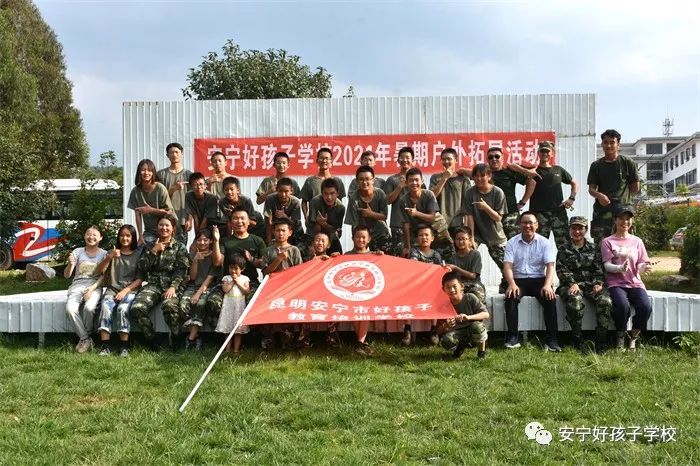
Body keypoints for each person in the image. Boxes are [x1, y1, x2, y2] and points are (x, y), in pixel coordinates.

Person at [503, 212, 561, 352]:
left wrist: (547, 285)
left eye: (531, 223)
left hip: (538, 279)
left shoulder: (545, 243)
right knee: (511, 296)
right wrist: (511, 284)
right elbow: (507, 266)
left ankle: (552, 340)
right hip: (518, 280)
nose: (527, 226)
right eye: (524, 222)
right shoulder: (511, 243)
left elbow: (550, 266)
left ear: (536, 225)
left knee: (550, 298)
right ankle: (512, 338)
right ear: (519, 225)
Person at [129, 215, 190, 346]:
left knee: (170, 306)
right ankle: (152, 339)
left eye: (167, 225)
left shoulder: (179, 247)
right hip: (154, 284)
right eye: (161, 225)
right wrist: (153, 251)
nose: (164, 228)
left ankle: (176, 338)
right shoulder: (149, 246)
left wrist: (173, 287)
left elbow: (182, 270)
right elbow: (142, 268)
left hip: (172, 284)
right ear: (157, 228)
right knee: (137, 308)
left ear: (173, 229)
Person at [600, 205, 653, 351]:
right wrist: (619, 268)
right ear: (615, 220)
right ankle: (620, 336)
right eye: (621, 219)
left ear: (632, 221)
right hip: (616, 283)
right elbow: (606, 265)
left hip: (635, 283)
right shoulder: (607, 242)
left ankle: (633, 337)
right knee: (623, 306)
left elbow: (641, 263)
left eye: (628, 219)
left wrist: (644, 268)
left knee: (645, 307)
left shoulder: (637, 241)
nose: (625, 222)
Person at [556, 216, 612, 352]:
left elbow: (598, 269)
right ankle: (577, 340)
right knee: (575, 301)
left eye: (580, 228)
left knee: (605, 301)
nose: (577, 232)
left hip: (590, 285)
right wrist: (572, 283)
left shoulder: (593, 248)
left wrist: (598, 283)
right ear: (569, 230)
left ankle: (601, 341)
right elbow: (561, 269)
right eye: (574, 228)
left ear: (586, 230)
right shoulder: (563, 249)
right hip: (569, 285)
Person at [210, 207, 266, 331]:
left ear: (249, 222)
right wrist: (216, 241)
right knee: (213, 302)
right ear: (230, 223)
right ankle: (221, 333)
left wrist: (251, 259)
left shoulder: (257, 241)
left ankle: (252, 335)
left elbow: (263, 264)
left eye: (242, 218)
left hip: (249, 283)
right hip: (227, 282)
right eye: (235, 218)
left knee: (255, 302)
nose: (239, 221)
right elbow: (217, 262)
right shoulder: (225, 241)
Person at [95, 224, 143, 357]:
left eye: (128, 236)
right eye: (122, 235)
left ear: (133, 237)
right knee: (105, 307)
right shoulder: (112, 253)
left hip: (130, 291)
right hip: (112, 289)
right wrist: (109, 257)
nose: (124, 238)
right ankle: (105, 346)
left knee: (123, 309)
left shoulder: (138, 255)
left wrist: (125, 291)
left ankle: (124, 346)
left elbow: (140, 279)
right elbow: (99, 271)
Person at [588, 129, 641, 245]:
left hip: (623, 213)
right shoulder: (596, 165)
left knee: (625, 246)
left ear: (618, 144)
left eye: (612, 142)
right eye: (605, 142)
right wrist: (599, 195)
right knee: (601, 246)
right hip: (602, 212)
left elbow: (635, 188)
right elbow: (591, 189)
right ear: (602, 144)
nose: (609, 145)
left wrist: (622, 198)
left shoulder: (627, 162)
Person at [456, 163, 507, 279]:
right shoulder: (470, 192)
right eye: (476, 176)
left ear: (489, 176)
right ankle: (470, 282)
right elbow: (469, 216)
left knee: (504, 264)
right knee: (467, 252)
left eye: (482, 175)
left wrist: (486, 208)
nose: (479, 179)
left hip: (494, 233)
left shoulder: (498, 192)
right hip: (477, 232)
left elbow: (498, 218)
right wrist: (471, 238)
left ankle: (508, 284)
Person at [63, 225, 108, 353]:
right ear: (84, 236)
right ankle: (86, 338)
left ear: (100, 238)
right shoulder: (77, 252)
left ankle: (85, 338)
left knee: (89, 308)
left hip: (94, 286)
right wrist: (70, 264)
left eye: (94, 235)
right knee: (70, 310)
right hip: (77, 285)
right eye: (88, 234)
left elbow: (104, 277)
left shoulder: (104, 254)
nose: (91, 237)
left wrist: (91, 289)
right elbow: (67, 275)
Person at [261, 218, 303, 349]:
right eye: (278, 230)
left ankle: (288, 340)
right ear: (273, 232)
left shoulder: (294, 250)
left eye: (283, 230)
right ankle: (269, 340)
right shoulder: (268, 250)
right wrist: (278, 259)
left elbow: (299, 272)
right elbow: (265, 271)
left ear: (290, 232)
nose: (280, 233)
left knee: (287, 314)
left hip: (289, 288)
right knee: (269, 313)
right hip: (271, 288)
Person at [529, 141, 578, 249]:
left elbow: (574, 183)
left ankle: (563, 261)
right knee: (538, 247)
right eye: (542, 151)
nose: (544, 154)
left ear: (552, 153)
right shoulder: (533, 171)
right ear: (538, 153)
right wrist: (526, 171)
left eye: (547, 151)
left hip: (558, 213)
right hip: (539, 214)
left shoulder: (558, 170)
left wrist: (571, 199)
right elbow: (512, 166)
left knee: (564, 247)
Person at [345, 226, 384, 355]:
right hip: (351, 292)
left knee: (365, 312)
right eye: (358, 237)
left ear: (369, 239)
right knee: (354, 313)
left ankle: (360, 343)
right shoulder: (346, 255)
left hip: (368, 292)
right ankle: (361, 343)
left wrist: (381, 257)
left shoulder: (375, 255)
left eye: (363, 237)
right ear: (353, 238)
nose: (360, 240)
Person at [400, 167, 451, 259]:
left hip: (438, 229)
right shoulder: (403, 200)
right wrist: (407, 246)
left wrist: (416, 213)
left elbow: (432, 218)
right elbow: (406, 224)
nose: (414, 183)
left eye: (417, 180)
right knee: (417, 256)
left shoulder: (429, 194)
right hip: (421, 233)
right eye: (411, 180)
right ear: (406, 183)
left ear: (422, 181)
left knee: (448, 255)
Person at [487, 146, 537, 239]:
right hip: (492, 216)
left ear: (502, 158)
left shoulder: (509, 172)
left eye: (497, 156)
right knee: (496, 246)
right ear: (487, 160)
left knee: (515, 242)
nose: (494, 159)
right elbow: (467, 172)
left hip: (511, 214)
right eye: (490, 157)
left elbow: (531, 182)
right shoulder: (484, 175)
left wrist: (522, 202)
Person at [181, 229, 220, 351]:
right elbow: (192, 277)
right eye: (199, 240)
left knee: (200, 304)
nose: (202, 242)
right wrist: (195, 260)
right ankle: (196, 335)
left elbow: (209, 278)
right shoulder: (192, 255)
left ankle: (191, 339)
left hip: (209, 286)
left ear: (210, 241)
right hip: (193, 286)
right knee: (183, 305)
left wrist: (198, 294)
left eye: (205, 240)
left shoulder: (214, 255)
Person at [438, 272, 489, 360]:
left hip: (472, 330)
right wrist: (446, 325)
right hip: (457, 333)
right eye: (448, 287)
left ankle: (481, 352)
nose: (452, 290)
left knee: (477, 326)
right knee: (446, 341)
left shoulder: (470, 297)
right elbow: (439, 331)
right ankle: (459, 348)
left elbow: (486, 314)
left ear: (461, 286)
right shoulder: (444, 306)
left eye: (454, 286)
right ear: (443, 289)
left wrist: (468, 317)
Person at [407, 224, 443, 346]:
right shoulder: (414, 251)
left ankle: (433, 329)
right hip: (416, 285)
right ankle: (407, 329)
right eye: (421, 235)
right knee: (407, 296)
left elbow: (439, 271)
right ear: (417, 238)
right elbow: (413, 264)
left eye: (427, 235)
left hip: (431, 286)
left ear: (432, 238)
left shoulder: (436, 254)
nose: (424, 238)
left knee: (436, 296)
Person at [344, 166, 391, 254]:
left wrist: (371, 214)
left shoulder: (380, 194)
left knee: (384, 257)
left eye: (367, 179)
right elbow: (354, 224)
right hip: (362, 236)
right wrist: (356, 241)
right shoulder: (354, 198)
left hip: (380, 233)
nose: (364, 182)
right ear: (357, 181)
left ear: (373, 180)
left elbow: (384, 216)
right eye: (361, 179)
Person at [128, 159, 174, 246]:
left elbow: (169, 212)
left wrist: (150, 210)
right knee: (142, 249)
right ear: (139, 172)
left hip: (166, 229)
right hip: (149, 231)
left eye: (149, 170)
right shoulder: (135, 191)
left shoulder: (160, 188)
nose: (146, 173)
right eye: (143, 170)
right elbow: (137, 214)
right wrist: (140, 235)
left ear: (153, 173)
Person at [383, 146, 418, 255]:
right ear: (398, 160)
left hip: (415, 224)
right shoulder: (392, 179)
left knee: (416, 255)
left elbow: (422, 198)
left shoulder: (417, 180)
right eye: (402, 157)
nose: (405, 160)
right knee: (399, 255)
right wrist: (400, 186)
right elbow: (387, 201)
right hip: (397, 224)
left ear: (413, 161)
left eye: (408, 157)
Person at [156, 142, 192, 243]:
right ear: (167, 155)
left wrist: (190, 219)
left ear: (182, 154)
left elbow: (192, 199)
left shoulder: (189, 175)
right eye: (171, 152)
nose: (174, 155)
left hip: (182, 219)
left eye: (177, 152)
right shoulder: (161, 174)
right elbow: (159, 198)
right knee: (164, 247)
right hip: (165, 219)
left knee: (181, 247)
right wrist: (173, 189)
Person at [215, 254, 251, 354]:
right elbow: (225, 290)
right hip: (228, 305)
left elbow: (246, 291)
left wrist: (238, 282)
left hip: (239, 306)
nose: (233, 271)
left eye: (236, 268)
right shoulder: (226, 278)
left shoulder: (245, 279)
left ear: (242, 269)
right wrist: (232, 282)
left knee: (238, 330)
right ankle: (227, 349)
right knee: (228, 329)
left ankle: (236, 349)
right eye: (231, 268)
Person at [300, 147, 346, 222]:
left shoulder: (338, 181)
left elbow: (340, 202)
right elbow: (304, 201)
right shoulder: (310, 181)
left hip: (332, 222)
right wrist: (306, 217)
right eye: (321, 158)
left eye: (327, 158)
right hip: (314, 222)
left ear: (331, 161)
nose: (324, 161)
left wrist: (338, 220)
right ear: (317, 161)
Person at [429, 147, 471, 229]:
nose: (446, 161)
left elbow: (467, 204)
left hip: (458, 224)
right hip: (439, 223)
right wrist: (444, 178)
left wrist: (466, 226)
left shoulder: (463, 179)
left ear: (456, 160)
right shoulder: (435, 178)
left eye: (449, 159)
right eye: (443, 159)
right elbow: (432, 196)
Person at [445, 226, 485, 305]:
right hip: (458, 286)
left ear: (469, 240)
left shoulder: (475, 254)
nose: (461, 242)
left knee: (476, 293)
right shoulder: (453, 257)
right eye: (458, 239)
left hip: (473, 284)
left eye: (464, 239)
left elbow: (473, 276)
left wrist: (456, 268)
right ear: (454, 241)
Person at [307, 178, 346, 257]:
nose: (329, 197)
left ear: (337, 193)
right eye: (326, 194)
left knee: (338, 254)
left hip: (331, 236)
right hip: (314, 235)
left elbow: (335, 230)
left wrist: (323, 224)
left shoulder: (340, 207)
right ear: (321, 193)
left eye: (332, 193)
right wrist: (318, 223)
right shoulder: (315, 202)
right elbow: (314, 228)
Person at [263, 177, 304, 246]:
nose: (283, 194)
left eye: (286, 191)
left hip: (291, 228)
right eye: (280, 191)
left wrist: (285, 216)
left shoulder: (295, 202)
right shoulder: (270, 199)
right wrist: (269, 242)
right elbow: (268, 222)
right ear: (276, 190)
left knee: (299, 228)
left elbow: (295, 223)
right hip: (274, 228)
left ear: (291, 191)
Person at [184, 172, 219, 243]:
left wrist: (198, 237)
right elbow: (195, 217)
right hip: (201, 223)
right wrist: (197, 237)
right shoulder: (188, 196)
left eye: (201, 184)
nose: (199, 187)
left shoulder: (212, 198)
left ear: (205, 185)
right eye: (195, 185)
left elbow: (205, 220)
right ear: (190, 187)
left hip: (214, 224)